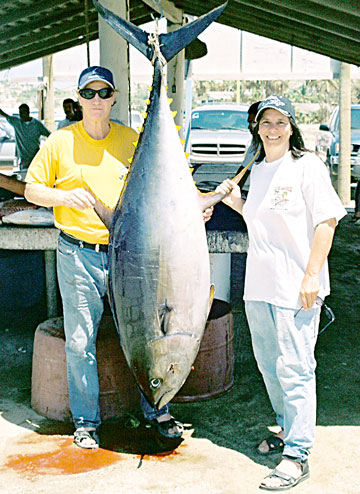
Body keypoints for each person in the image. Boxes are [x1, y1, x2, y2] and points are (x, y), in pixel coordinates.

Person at [24, 65, 184, 450]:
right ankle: (86, 422)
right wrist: (61, 197)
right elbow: (31, 189)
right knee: (80, 341)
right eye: (89, 94)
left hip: (132, 255)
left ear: (114, 98)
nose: (96, 100)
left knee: (149, 333)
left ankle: (156, 409)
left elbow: (164, 183)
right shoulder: (60, 142)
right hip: (78, 253)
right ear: (79, 100)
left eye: (103, 93)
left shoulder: (132, 139)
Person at [216, 95, 346, 491]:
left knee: (296, 368)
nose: (272, 129)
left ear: (291, 127)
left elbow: (326, 221)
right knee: (270, 366)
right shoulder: (257, 169)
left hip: (296, 288)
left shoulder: (307, 167)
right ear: (257, 129)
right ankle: (289, 429)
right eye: (265, 122)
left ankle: (299, 454)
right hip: (259, 287)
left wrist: (311, 276)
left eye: (279, 122)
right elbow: (260, 218)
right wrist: (234, 202)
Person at [0, 103, 50, 178]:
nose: (21, 115)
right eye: (20, 113)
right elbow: (4, 114)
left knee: (35, 178)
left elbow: (49, 135)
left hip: (35, 157)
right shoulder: (17, 122)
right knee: (24, 179)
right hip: (23, 159)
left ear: (28, 112)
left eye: (22, 113)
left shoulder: (37, 124)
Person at [237, 101, 261, 194]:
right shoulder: (256, 142)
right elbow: (244, 170)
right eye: (249, 122)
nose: (249, 126)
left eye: (253, 122)